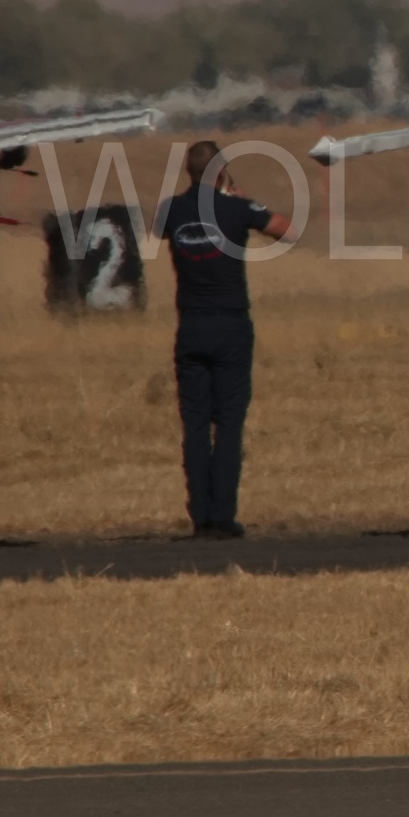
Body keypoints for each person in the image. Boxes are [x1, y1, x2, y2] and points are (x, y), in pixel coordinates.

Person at [152, 140, 294, 540]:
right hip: (230, 324)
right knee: (229, 424)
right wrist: (243, 199)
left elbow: (161, 227)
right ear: (221, 172)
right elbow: (288, 230)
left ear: (188, 171)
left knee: (194, 425)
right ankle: (224, 515)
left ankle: (200, 516)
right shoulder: (236, 209)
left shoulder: (171, 211)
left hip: (190, 325)